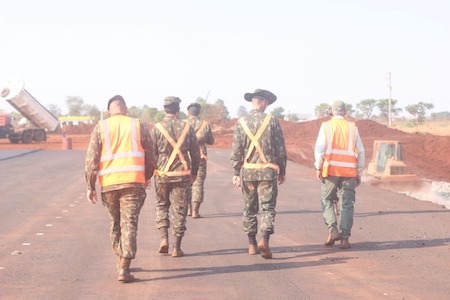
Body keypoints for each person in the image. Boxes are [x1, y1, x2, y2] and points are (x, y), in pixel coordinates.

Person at [85, 95, 155, 282]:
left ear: (109, 112)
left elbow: (91, 161)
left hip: (109, 185)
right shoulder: (138, 125)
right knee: (129, 223)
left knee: (115, 223)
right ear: (125, 109)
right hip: (133, 183)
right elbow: (151, 155)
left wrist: (90, 186)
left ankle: (120, 259)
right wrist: (147, 177)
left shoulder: (101, 127)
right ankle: (124, 265)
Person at [230, 89, 287, 259]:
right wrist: (282, 170)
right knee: (267, 208)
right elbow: (281, 149)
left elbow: (236, 149)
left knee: (249, 208)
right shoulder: (272, 121)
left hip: (248, 172)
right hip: (267, 172)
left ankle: (252, 244)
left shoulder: (241, 122)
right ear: (263, 102)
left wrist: (235, 171)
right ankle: (265, 240)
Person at [151, 96, 200, 257]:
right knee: (180, 210)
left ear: (165, 110)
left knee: (161, 206)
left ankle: (164, 238)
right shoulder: (187, 127)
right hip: (182, 175)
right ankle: (176, 248)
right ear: (178, 110)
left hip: (162, 175)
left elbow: (151, 154)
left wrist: (149, 173)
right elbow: (195, 153)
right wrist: (194, 173)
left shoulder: (156, 128)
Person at [314, 100, 365, 249]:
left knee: (326, 200)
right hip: (349, 172)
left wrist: (318, 167)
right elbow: (361, 151)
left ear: (332, 111)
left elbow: (319, 149)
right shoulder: (353, 127)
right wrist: (359, 172)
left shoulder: (326, 126)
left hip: (330, 171)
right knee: (347, 204)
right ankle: (345, 239)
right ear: (345, 112)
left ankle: (332, 229)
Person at [186, 102, 215, 218]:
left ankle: (188, 210)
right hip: (200, 157)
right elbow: (211, 141)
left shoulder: (183, 124)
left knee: (187, 183)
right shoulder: (205, 124)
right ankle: (195, 211)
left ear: (188, 112)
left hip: (185, 158)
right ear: (199, 112)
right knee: (198, 183)